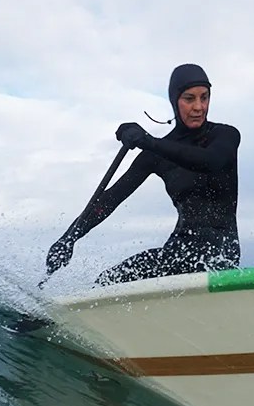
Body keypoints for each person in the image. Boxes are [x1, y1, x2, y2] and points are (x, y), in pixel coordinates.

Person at [46, 63, 241, 285]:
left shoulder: (224, 136)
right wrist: (69, 238)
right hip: (178, 250)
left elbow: (210, 161)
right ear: (174, 100)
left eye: (204, 97)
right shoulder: (155, 154)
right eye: (189, 98)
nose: (199, 107)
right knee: (108, 282)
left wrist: (148, 142)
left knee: (121, 280)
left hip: (220, 254)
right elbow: (110, 200)